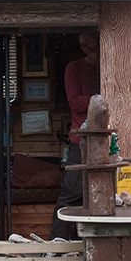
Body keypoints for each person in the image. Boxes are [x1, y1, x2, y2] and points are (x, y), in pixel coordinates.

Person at [50, 32, 99, 239]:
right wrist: (100, 101)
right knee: (71, 195)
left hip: (105, 142)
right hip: (80, 142)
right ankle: (56, 245)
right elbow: (75, 103)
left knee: (100, 197)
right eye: (89, 47)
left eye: (95, 46)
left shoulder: (104, 66)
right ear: (83, 48)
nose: (93, 50)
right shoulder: (75, 68)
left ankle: (87, 243)